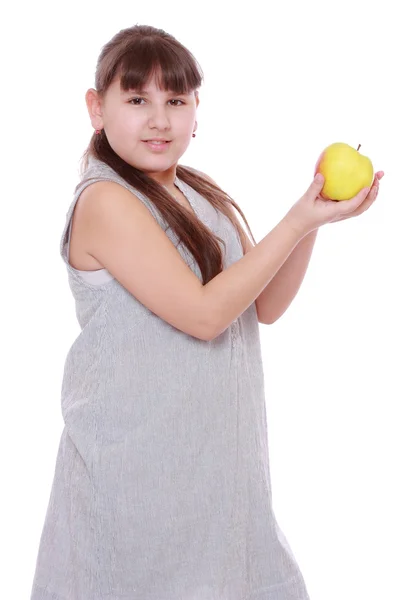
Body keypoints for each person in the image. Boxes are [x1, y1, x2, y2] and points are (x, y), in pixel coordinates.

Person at [29, 24, 383, 600]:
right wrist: (295, 219)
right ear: (97, 108)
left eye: (176, 100)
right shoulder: (105, 202)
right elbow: (203, 316)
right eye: (137, 100)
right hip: (138, 477)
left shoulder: (201, 194)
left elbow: (263, 306)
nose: (160, 119)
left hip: (216, 472)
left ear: (197, 109)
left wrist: (313, 221)